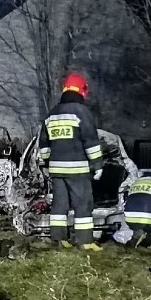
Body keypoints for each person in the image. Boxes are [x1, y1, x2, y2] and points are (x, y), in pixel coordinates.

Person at [37, 72, 104, 251]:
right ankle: (85, 241)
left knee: (60, 205)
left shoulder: (52, 114)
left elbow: (44, 144)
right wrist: (97, 165)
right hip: (78, 170)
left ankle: (59, 239)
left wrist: (45, 164)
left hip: (56, 171)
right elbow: (90, 141)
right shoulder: (82, 112)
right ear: (82, 91)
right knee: (83, 205)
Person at [122, 173, 151, 248]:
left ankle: (137, 236)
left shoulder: (137, 181)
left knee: (141, 226)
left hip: (129, 219)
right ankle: (150, 239)